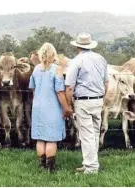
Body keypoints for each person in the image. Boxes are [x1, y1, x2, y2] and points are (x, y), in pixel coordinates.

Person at [65, 32, 109, 174]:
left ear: (77, 46)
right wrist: (102, 97)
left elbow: (70, 86)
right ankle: (90, 162)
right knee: (95, 132)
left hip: (83, 101)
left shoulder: (76, 61)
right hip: (98, 99)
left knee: (86, 134)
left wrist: (69, 104)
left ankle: (91, 167)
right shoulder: (100, 59)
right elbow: (106, 82)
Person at [29, 42, 73, 173]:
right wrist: (66, 108)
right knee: (51, 138)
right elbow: (60, 91)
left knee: (41, 138)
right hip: (52, 107)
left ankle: (41, 165)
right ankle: (51, 167)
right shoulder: (57, 69)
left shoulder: (36, 69)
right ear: (53, 54)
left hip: (37, 107)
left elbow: (33, 87)